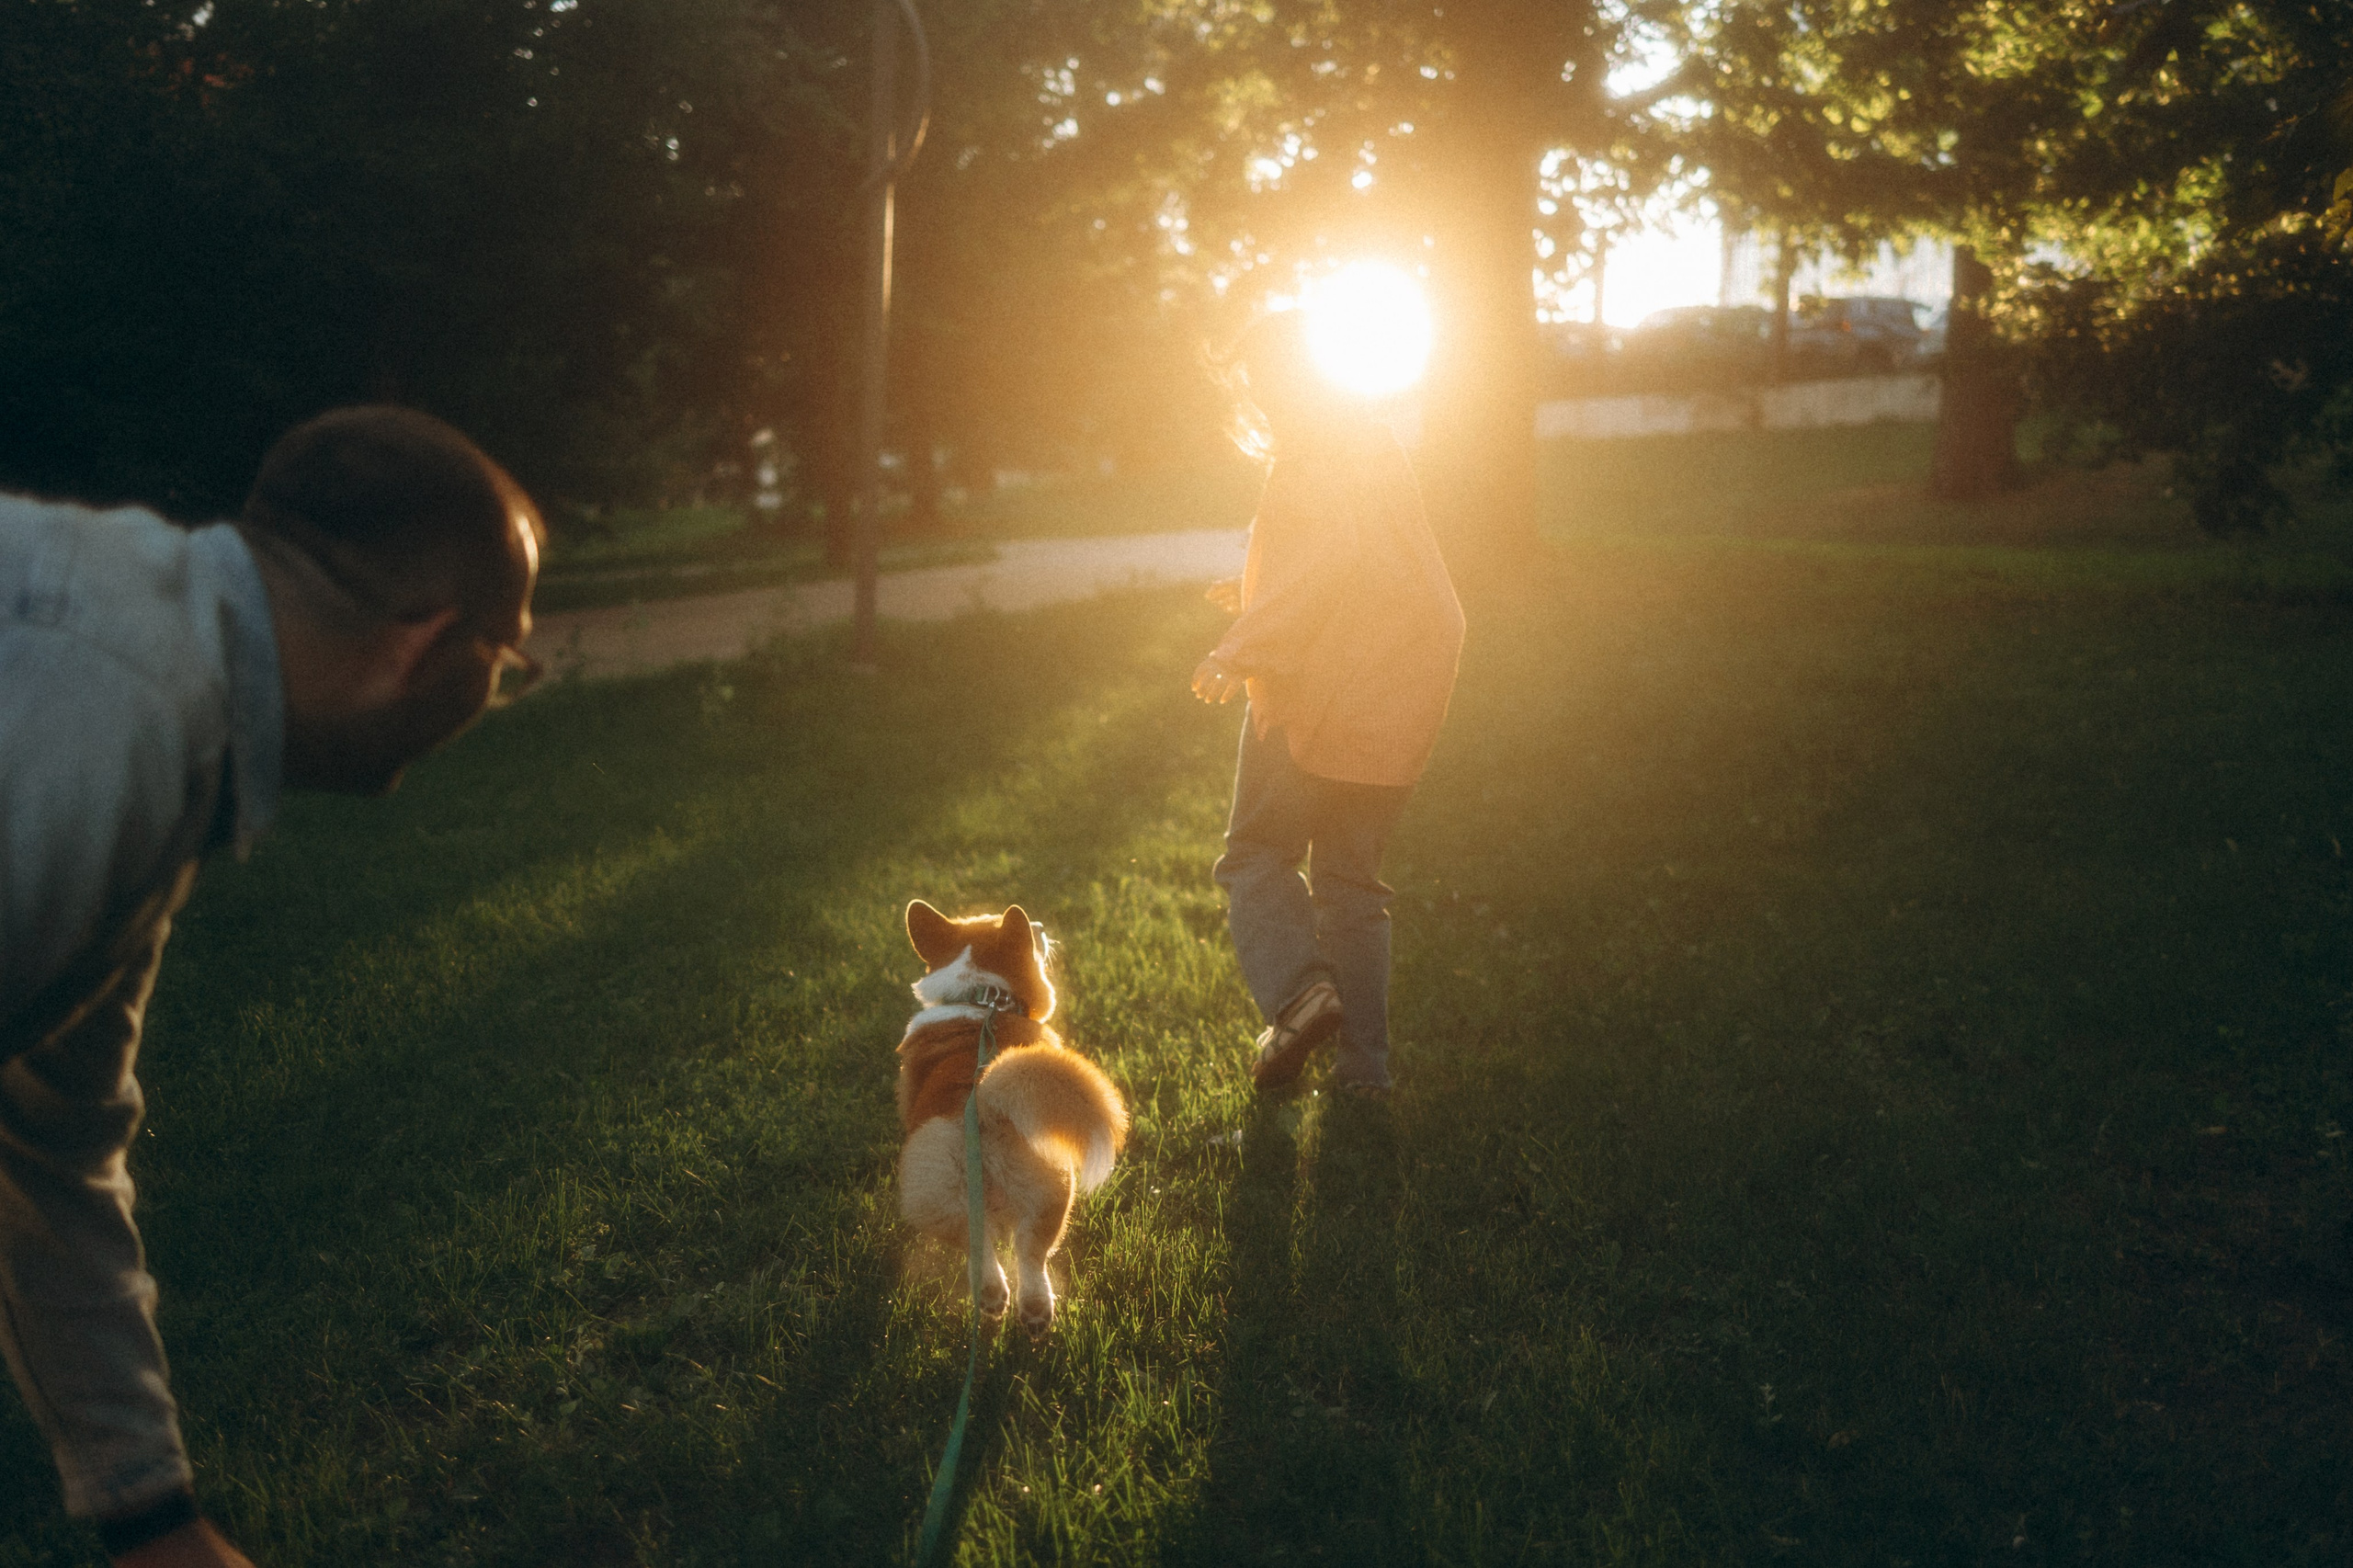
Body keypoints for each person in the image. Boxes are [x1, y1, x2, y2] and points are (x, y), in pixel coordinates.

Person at [0, 407, 543, 1566]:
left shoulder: (164, 719)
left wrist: (153, 1518)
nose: (492, 697)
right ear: (422, 643)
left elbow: (50, 1136)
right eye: (506, 661)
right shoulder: (115, 711)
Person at [1191, 310, 1465, 1097]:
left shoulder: (1310, 458)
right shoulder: (1374, 444)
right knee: (1350, 882)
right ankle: (1365, 1075)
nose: (1257, 399)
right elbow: (1354, 567)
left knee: (1256, 856)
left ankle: (1300, 993)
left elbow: (1322, 570)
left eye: (1258, 382)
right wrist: (1249, 596)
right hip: (1400, 693)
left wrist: (1236, 649)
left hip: (1325, 691)